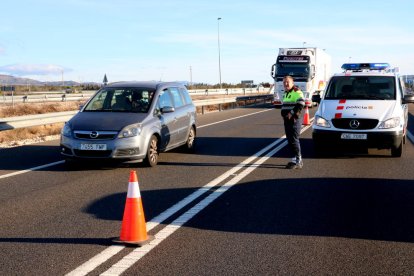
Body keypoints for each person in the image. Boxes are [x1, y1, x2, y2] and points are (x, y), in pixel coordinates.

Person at [281, 75, 305, 169]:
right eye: (284, 82)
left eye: (287, 82)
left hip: (294, 121)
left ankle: (299, 161)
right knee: (290, 140)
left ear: (292, 83)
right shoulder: (286, 93)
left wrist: (291, 113)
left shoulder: (296, 91)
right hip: (287, 121)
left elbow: (301, 104)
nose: (285, 84)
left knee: (294, 140)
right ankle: (294, 159)